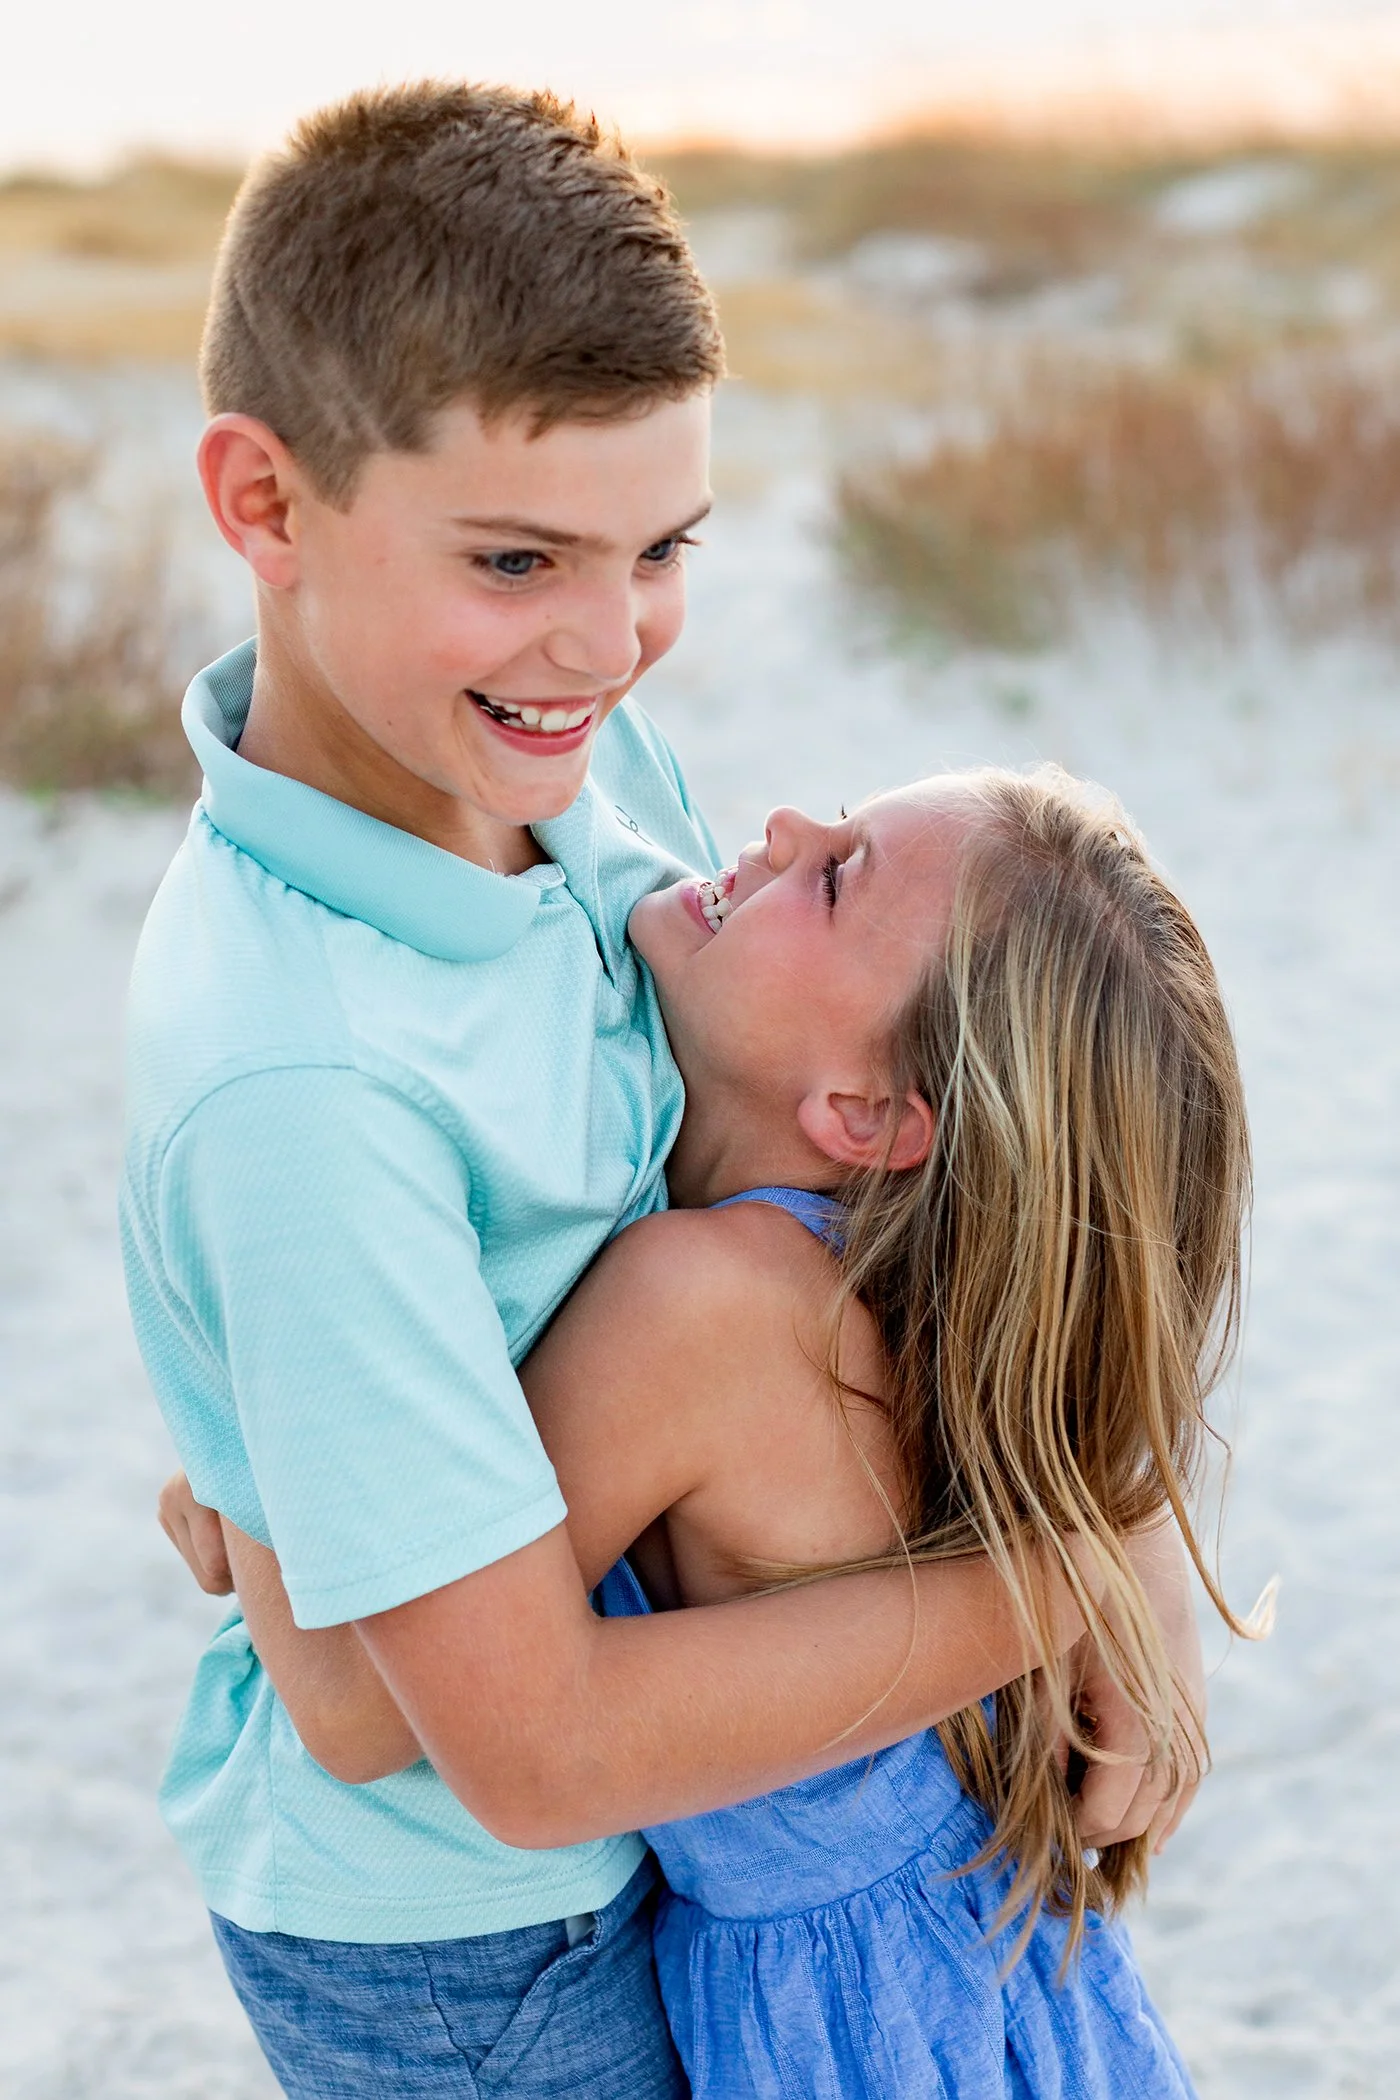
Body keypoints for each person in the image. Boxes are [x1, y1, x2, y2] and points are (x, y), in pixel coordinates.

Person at [130, 80, 1195, 2100]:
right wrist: (1055, 1564)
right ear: (266, 505)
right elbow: (435, 1732)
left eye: (661, 549)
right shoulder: (303, 1080)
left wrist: (1116, 1531)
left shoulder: (570, 758)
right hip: (466, 1936)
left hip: (667, 1816)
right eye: (521, 554)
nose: (610, 640)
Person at [166, 763, 1245, 2096]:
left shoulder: (705, 1313)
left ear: (866, 1114)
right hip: (992, 1985)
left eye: (838, 874)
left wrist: (248, 1437)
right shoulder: (903, 1296)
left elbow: (352, 1705)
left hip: (853, 2022)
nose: (787, 825)